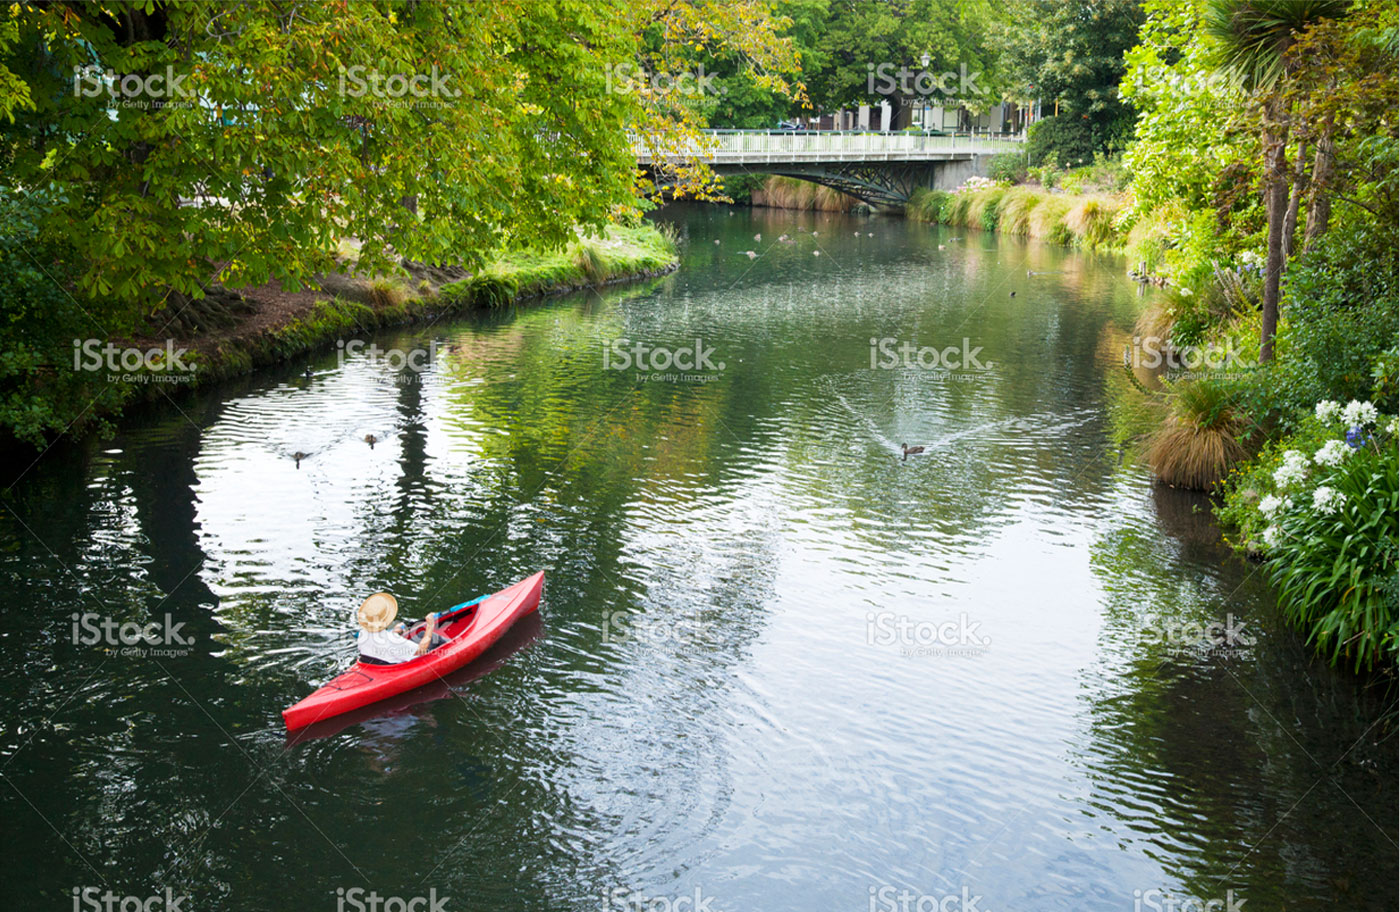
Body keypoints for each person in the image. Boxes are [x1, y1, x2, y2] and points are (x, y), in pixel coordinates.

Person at [356, 592, 445, 665]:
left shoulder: (362, 632)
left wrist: (394, 632)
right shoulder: (394, 640)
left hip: (372, 662)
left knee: (421, 634)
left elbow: (384, 640)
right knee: (433, 637)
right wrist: (430, 625)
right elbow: (421, 650)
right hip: (391, 667)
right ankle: (450, 647)